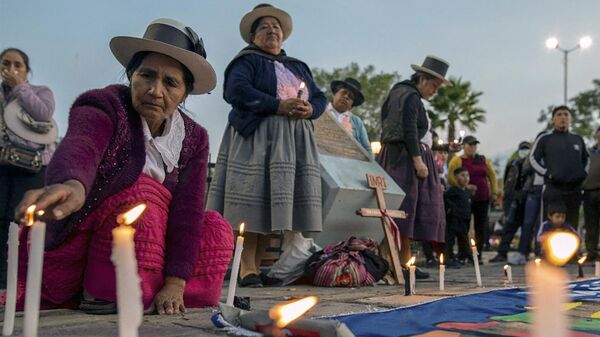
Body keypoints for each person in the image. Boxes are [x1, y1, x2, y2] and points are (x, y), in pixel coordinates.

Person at [13, 18, 233, 314]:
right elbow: (83, 144)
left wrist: (176, 282)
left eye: (170, 83)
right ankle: (102, 289)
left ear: (184, 94)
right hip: (96, 232)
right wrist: (73, 184)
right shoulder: (105, 104)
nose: (155, 90)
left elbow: (187, 211)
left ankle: (155, 286)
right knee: (140, 194)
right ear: (131, 76)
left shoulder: (195, 138)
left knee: (216, 228)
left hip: (160, 244)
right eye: (146, 76)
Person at [206, 4, 327, 288]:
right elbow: (236, 91)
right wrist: (278, 105)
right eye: (264, 27)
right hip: (258, 137)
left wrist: (310, 109)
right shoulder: (246, 61)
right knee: (254, 197)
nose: (272, 31)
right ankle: (245, 266)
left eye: (277, 27)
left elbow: (320, 97)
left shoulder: (297, 66)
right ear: (252, 36)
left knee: (271, 203)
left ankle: (257, 266)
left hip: (292, 140)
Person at [377, 55, 458, 279]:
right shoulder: (411, 96)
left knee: (404, 211)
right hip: (403, 159)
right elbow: (409, 129)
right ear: (422, 79)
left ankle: (404, 262)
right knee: (404, 210)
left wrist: (444, 147)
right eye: (433, 86)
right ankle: (397, 262)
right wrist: (417, 160)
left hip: (394, 154)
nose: (434, 91)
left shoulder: (398, 92)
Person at [0, 48, 56, 288]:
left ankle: (20, 285)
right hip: (2, 168)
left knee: (23, 223)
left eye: (17, 65)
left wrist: (19, 88)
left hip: (31, 169)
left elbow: (43, 114)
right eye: (6, 64)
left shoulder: (40, 92)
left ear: (27, 70)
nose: (11, 69)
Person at [530, 105, 589, 232]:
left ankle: (572, 251)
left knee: (572, 224)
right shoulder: (545, 138)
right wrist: (547, 173)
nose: (563, 117)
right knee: (551, 224)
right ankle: (546, 250)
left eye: (566, 115)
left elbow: (587, 159)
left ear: (571, 119)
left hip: (574, 190)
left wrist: (583, 173)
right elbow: (533, 159)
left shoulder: (578, 139)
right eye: (559, 115)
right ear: (553, 120)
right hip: (554, 189)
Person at [448, 135, 498, 264]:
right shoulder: (457, 160)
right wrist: (464, 186)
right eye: (470, 145)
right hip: (464, 198)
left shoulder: (482, 160)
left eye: (474, 145)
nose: (472, 147)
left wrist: (494, 191)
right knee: (462, 226)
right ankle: (463, 252)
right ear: (464, 146)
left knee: (480, 226)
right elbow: (451, 177)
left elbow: (492, 175)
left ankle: (478, 254)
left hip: (482, 197)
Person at [489, 141, 531, 263]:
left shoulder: (532, 165)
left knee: (527, 228)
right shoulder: (513, 164)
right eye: (522, 149)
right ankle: (502, 253)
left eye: (526, 149)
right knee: (509, 227)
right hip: (514, 200)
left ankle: (525, 252)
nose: (524, 152)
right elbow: (508, 182)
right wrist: (508, 199)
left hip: (527, 200)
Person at [326, 77, 373, 158]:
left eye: (350, 97)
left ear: (352, 105)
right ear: (334, 94)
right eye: (343, 92)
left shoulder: (356, 122)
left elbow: (367, 149)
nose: (346, 97)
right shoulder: (318, 111)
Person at [444, 167, 472, 268]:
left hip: (465, 219)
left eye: (467, 175)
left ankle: (463, 256)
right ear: (456, 177)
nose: (466, 178)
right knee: (451, 239)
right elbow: (445, 198)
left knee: (463, 238)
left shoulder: (467, 192)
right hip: (454, 219)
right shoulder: (453, 191)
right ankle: (448, 258)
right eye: (463, 175)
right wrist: (452, 209)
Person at [583, 126, 600, 261]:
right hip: (589, 191)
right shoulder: (589, 153)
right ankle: (591, 252)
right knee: (590, 223)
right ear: (596, 134)